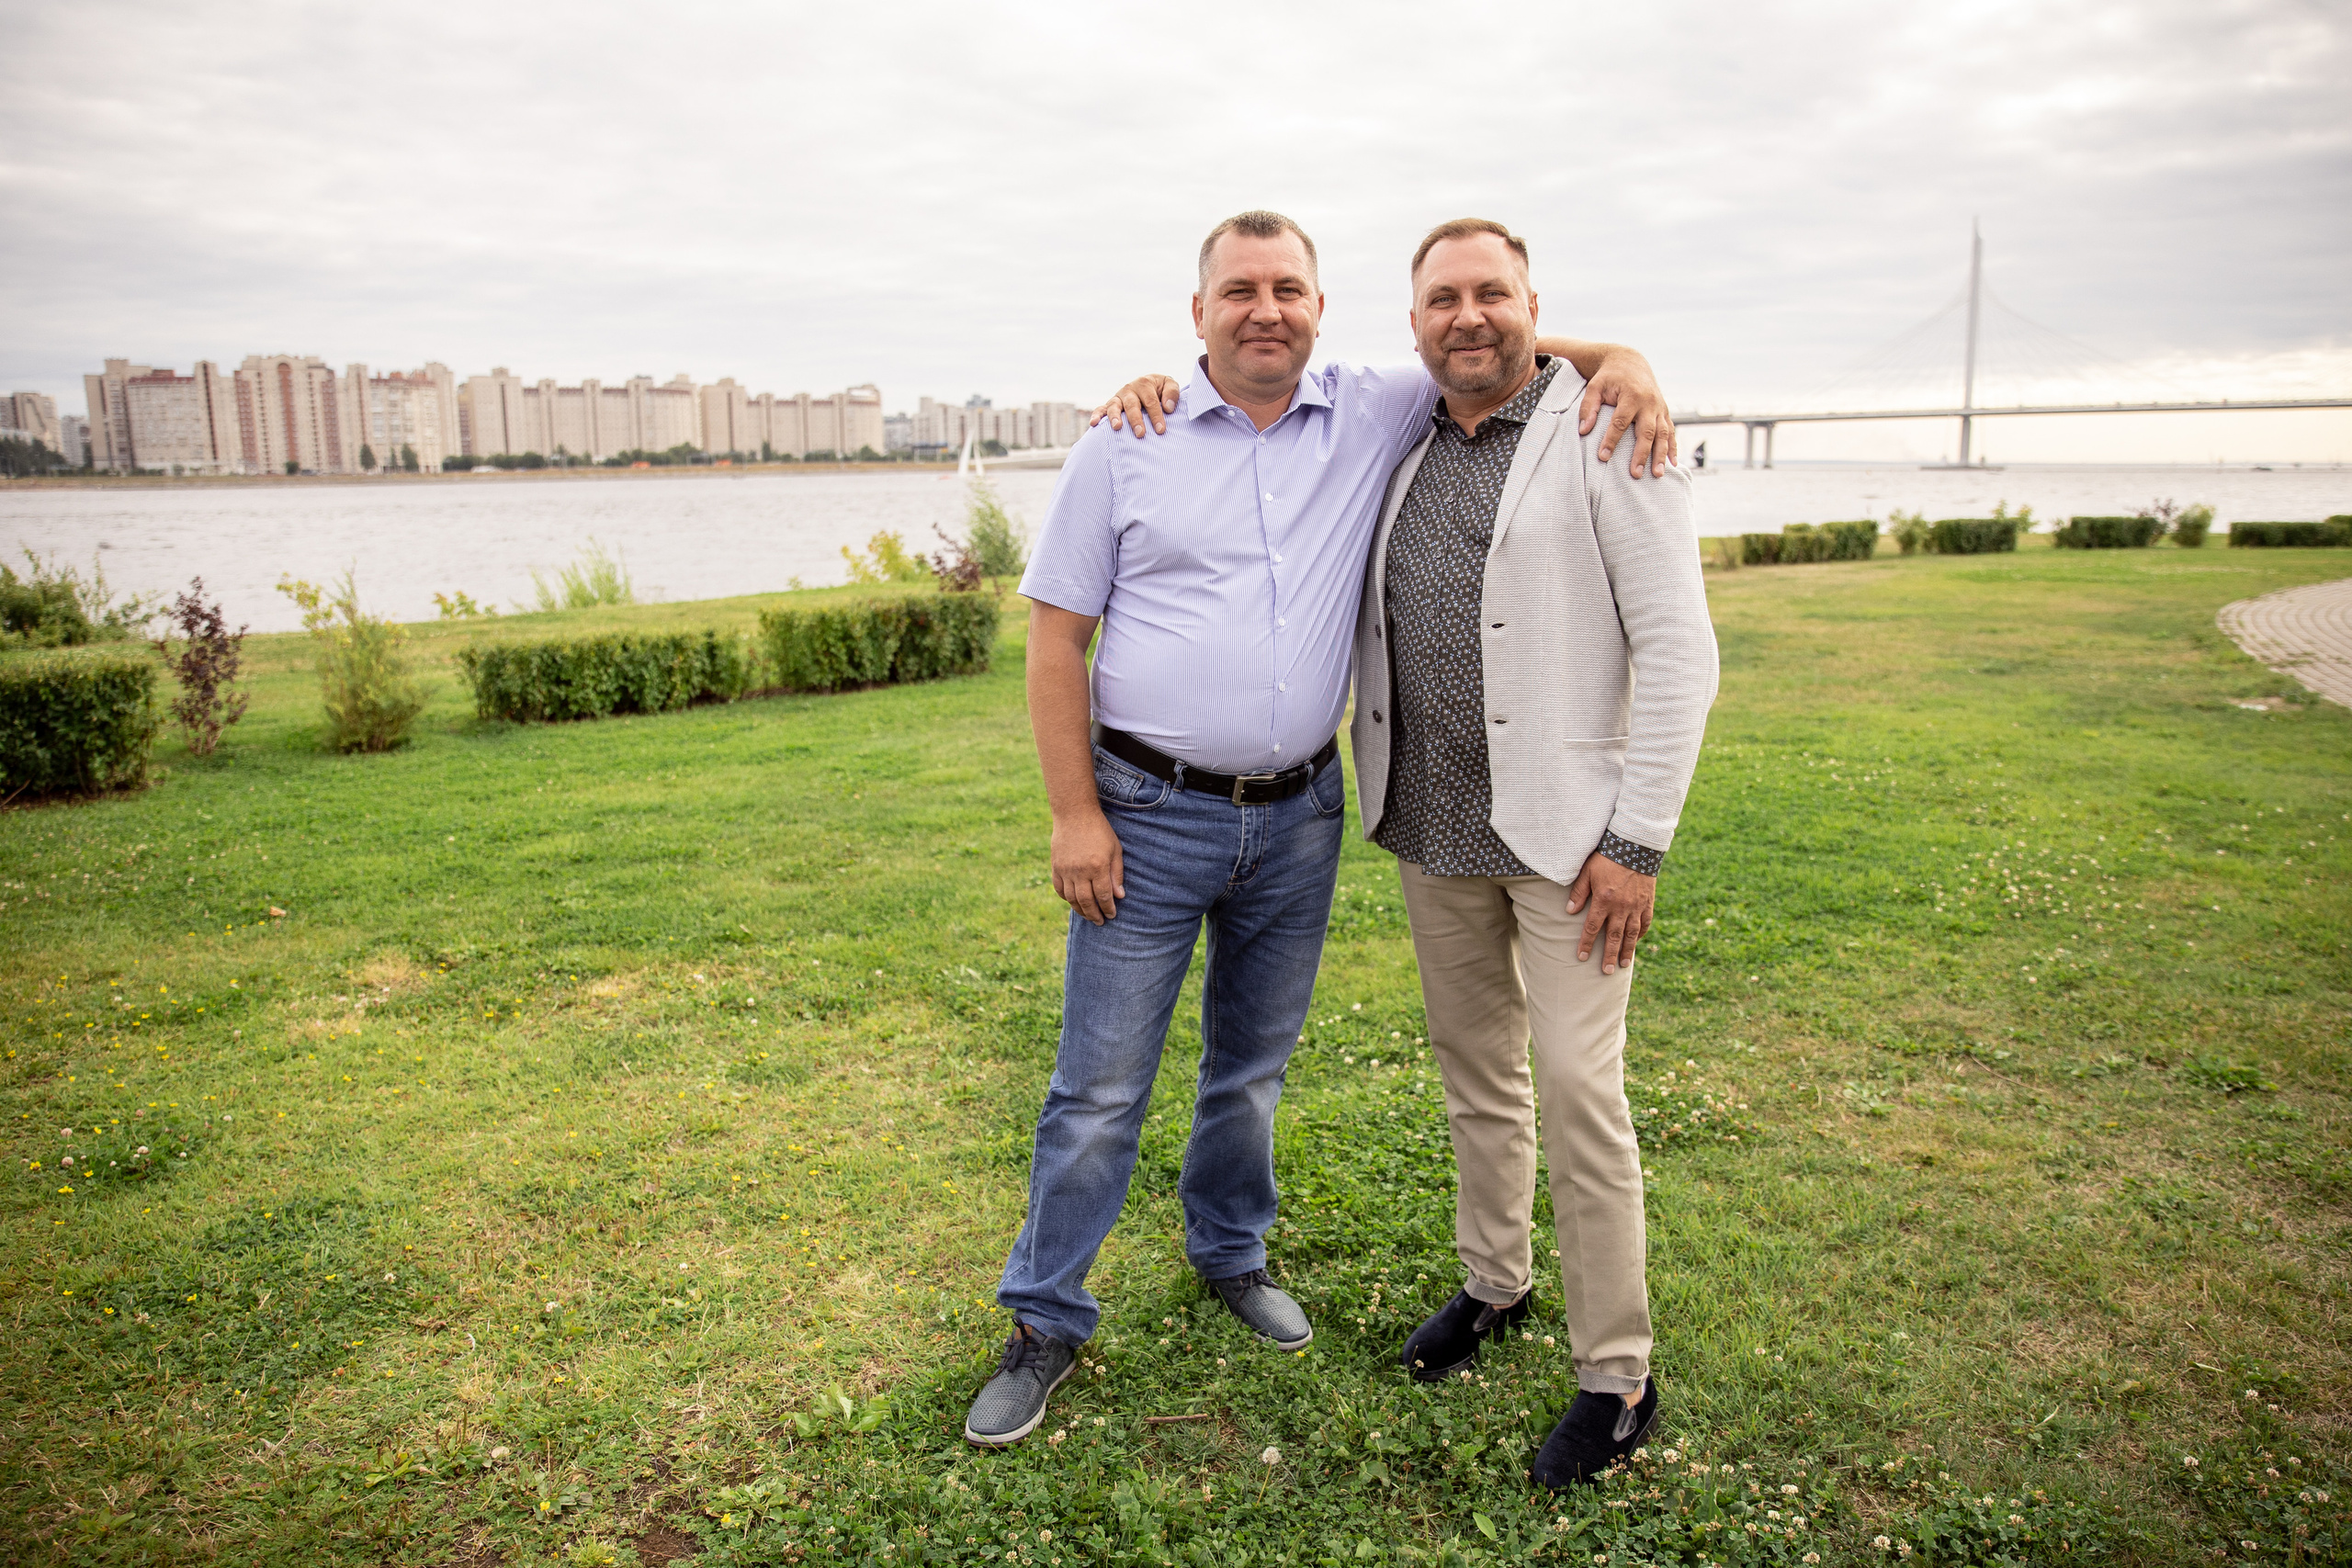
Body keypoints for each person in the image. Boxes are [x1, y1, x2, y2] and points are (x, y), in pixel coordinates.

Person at [961, 209, 1678, 1449]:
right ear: (1196, 315)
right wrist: (1074, 812)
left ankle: (1237, 1258)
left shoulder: (1374, 409)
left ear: (1323, 309)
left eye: (1288, 287)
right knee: (1099, 1088)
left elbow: (1493, 347)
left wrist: (1629, 359)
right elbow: (1053, 637)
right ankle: (1045, 1322)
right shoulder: (1125, 445)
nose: (1265, 310)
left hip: (1304, 818)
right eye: (1238, 290)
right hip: (1153, 810)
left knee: (1254, 1070)